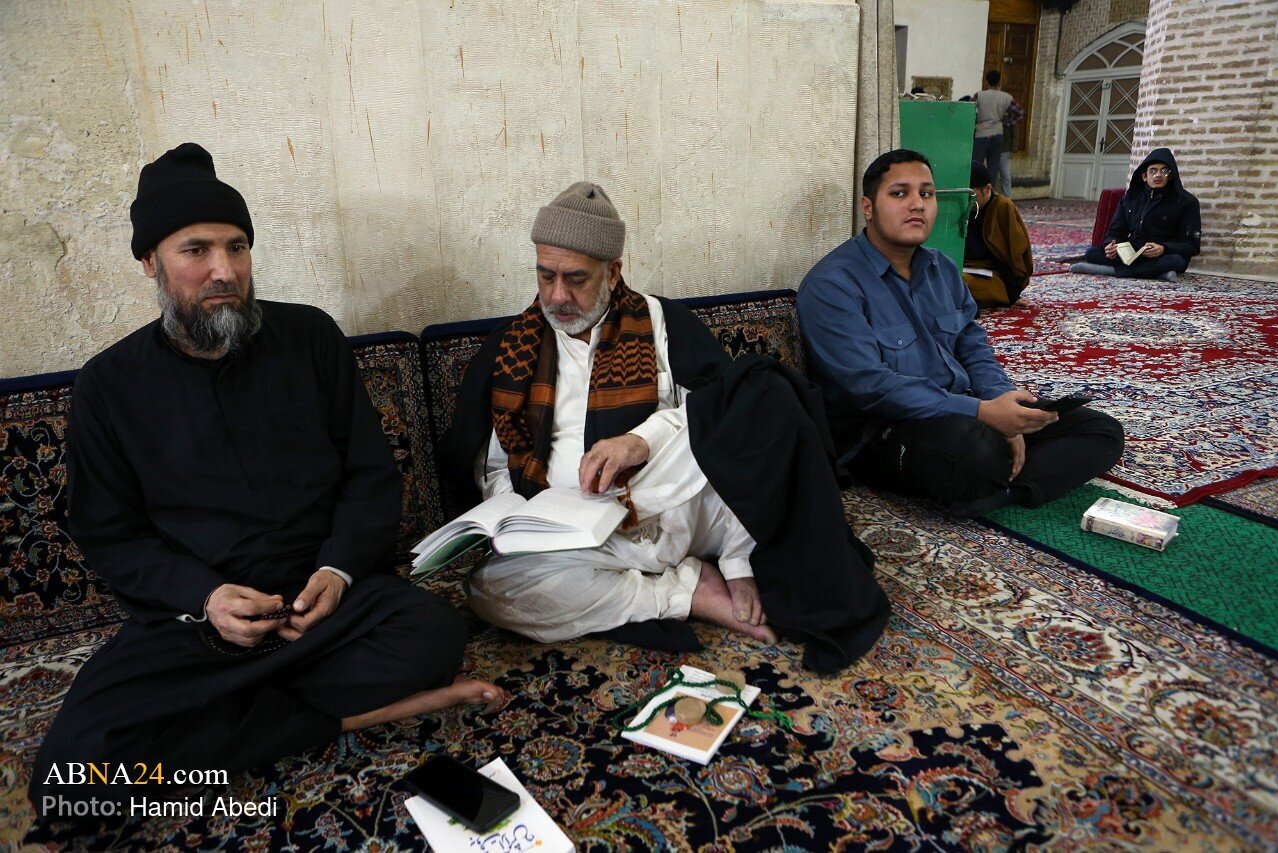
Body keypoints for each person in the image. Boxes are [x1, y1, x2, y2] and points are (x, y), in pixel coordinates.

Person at [29, 143, 498, 819]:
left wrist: (337, 572)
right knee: (70, 783)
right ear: (149, 263)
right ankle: (348, 716)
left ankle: (240, 721)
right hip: (199, 626)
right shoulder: (108, 385)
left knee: (431, 632)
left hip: (327, 607)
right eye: (197, 250)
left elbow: (370, 476)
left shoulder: (310, 338)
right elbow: (111, 534)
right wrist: (208, 595)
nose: (225, 270)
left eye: (238, 246)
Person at [443, 182, 889, 674]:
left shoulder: (662, 322)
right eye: (545, 276)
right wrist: (512, 514)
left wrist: (641, 440)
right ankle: (684, 592)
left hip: (680, 510)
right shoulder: (512, 347)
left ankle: (731, 565)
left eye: (576, 278)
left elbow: (727, 425)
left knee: (763, 395)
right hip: (576, 537)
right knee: (491, 591)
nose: (557, 295)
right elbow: (494, 462)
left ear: (613, 272)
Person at [797, 149, 1124, 519]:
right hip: (883, 430)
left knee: (1101, 430)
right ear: (868, 208)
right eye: (899, 194)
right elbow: (871, 386)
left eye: (927, 193)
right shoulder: (833, 284)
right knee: (976, 451)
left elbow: (973, 347)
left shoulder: (942, 269)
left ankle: (1001, 491)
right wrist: (983, 413)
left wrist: (1002, 404)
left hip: (960, 409)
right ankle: (997, 474)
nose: (917, 205)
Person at [1071, 148, 1201, 282]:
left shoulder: (1186, 202)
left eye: (1164, 171)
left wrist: (1164, 248)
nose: (1158, 175)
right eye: (1153, 171)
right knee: (1092, 253)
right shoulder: (1130, 199)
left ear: (1171, 175)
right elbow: (1115, 231)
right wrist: (1110, 245)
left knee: (1175, 261)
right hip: (1134, 254)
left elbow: (1192, 246)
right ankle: (1159, 274)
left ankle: (1111, 271)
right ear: (1144, 176)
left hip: (1164, 255)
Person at [963, 164, 1033, 307]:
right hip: (964, 267)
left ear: (987, 189)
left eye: (971, 196)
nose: (967, 201)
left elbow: (1014, 257)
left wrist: (1012, 295)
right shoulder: (962, 207)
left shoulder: (1002, 207)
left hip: (993, 275)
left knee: (960, 283)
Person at [971, 70, 1013, 187]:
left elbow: (969, 108)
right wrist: (1007, 123)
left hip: (982, 132)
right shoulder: (1006, 97)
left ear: (986, 81)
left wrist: (974, 122)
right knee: (993, 166)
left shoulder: (980, 95)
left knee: (976, 163)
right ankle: (990, 192)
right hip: (998, 133)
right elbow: (1019, 113)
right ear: (999, 81)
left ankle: (974, 190)